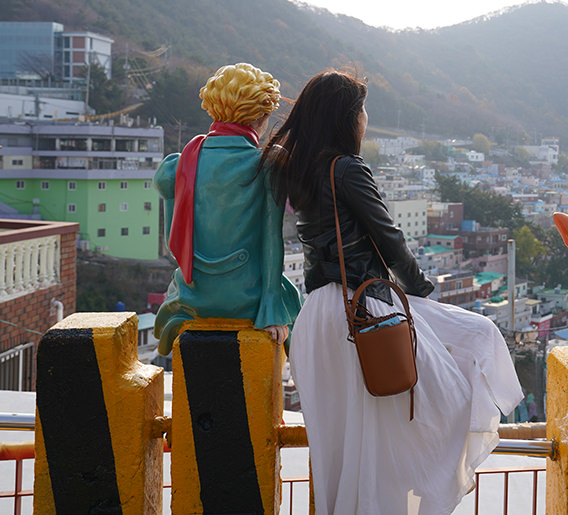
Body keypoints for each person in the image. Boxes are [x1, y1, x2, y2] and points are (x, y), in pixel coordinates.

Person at [262, 69, 522, 514]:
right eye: (361, 110)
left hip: (317, 321)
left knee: (345, 448)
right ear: (345, 118)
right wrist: (419, 290)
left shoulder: (293, 167)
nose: (364, 118)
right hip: (363, 311)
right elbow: (390, 240)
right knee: (470, 352)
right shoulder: (346, 168)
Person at [154, 63, 302, 355]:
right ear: (261, 116)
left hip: (191, 296)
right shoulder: (267, 165)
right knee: (295, 303)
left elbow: (174, 247)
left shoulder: (178, 165)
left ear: (213, 108)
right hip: (245, 298)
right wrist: (271, 310)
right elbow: (272, 241)